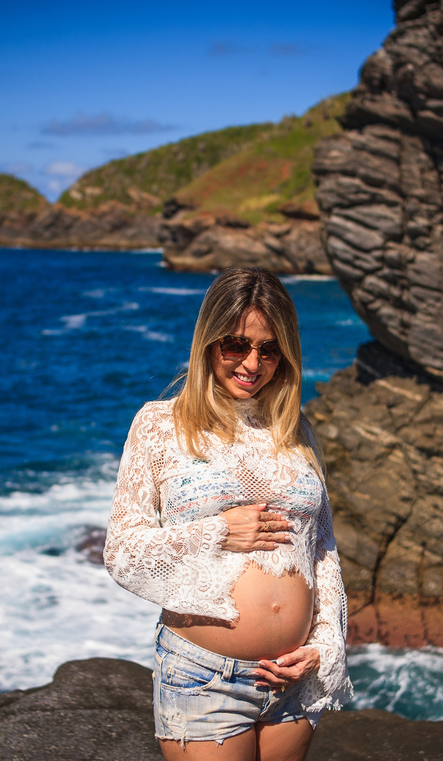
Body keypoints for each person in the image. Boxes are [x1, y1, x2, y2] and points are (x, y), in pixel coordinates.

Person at [105, 267, 352, 761]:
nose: (252, 363)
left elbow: (321, 551)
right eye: (236, 345)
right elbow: (121, 551)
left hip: (292, 680)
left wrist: (325, 645)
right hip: (205, 678)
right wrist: (218, 532)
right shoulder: (159, 425)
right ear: (208, 342)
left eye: (269, 349)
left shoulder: (295, 430)